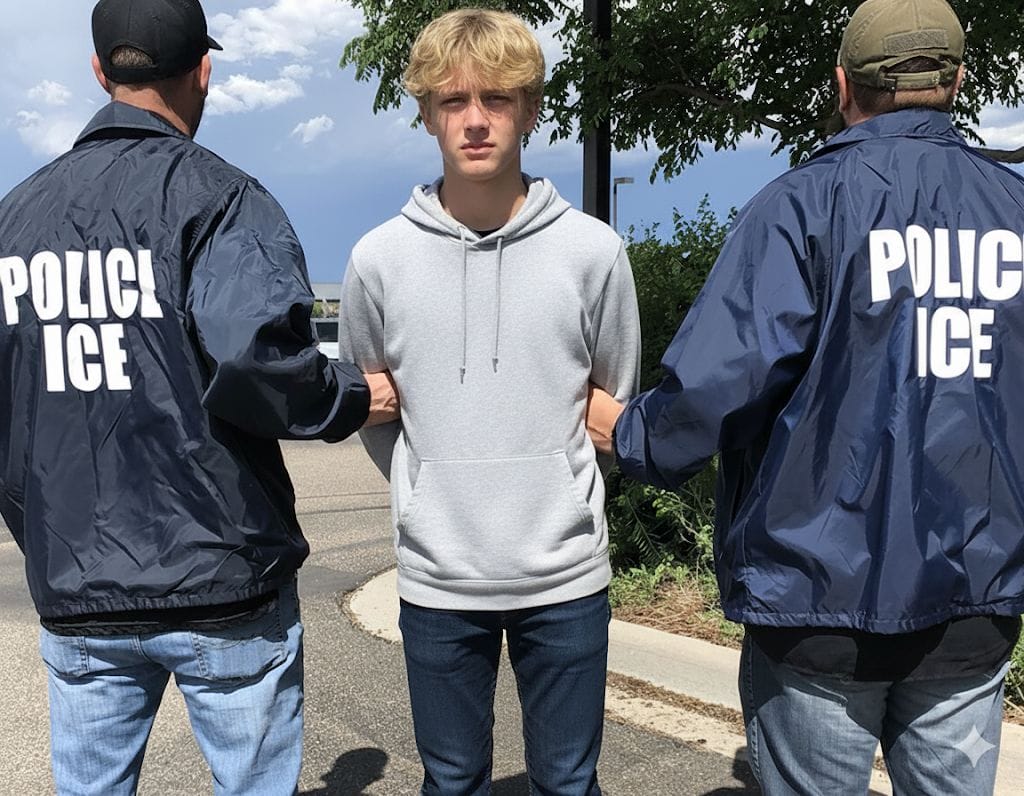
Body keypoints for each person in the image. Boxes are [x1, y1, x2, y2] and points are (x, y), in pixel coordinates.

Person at [591, 0, 1023, 792]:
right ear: (958, 82)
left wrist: (634, 437)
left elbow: (722, 381)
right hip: (974, 598)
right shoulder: (1014, 210)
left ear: (841, 86)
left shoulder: (801, 206)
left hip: (815, 601)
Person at [0, 1, 397, 794]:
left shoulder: (16, 221)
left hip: (79, 587)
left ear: (99, 71)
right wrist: (354, 397)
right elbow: (258, 359)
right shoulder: (219, 198)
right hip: (225, 578)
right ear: (202, 72)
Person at [337, 8, 640, 794]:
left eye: (497, 99)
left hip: (565, 573)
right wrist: (424, 486)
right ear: (427, 114)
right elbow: (376, 410)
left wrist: (561, 485)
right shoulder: (377, 260)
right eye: (453, 101)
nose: (475, 121)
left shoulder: (593, 252)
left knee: (569, 781)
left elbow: (613, 398)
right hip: (439, 574)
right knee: (452, 778)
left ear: (531, 109)